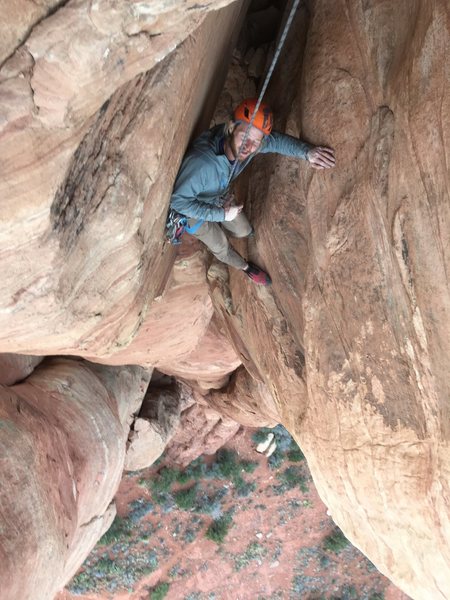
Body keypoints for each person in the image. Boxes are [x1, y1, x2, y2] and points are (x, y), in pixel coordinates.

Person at [169, 98, 335, 285]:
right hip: (192, 207)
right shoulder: (203, 164)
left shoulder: (248, 144)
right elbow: (178, 202)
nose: (248, 146)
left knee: (243, 229)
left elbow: (275, 141)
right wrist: (220, 215)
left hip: (216, 194)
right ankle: (245, 268)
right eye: (245, 136)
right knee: (221, 246)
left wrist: (307, 152)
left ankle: (235, 228)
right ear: (231, 127)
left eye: (256, 141)